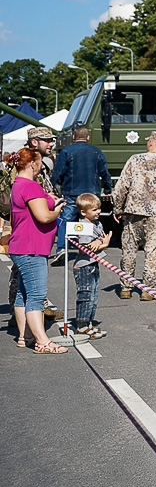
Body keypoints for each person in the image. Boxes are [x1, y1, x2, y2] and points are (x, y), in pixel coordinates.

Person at [7, 147, 65, 353]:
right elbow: (43, 216)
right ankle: (43, 341)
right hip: (31, 248)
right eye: (40, 161)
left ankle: (25, 336)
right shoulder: (30, 186)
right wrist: (56, 209)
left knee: (23, 292)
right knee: (36, 294)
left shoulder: (18, 184)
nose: (41, 165)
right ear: (33, 164)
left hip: (23, 245)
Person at [112, 131, 156, 300]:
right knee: (152, 251)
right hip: (155, 213)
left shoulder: (135, 160)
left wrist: (117, 208)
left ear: (150, 143)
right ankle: (148, 289)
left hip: (133, 211)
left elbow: (121, 187)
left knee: (129, 249)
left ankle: (126, 287)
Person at [51, 124, 112, 257]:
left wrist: (54, 186)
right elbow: (104, 172)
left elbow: (59, 172)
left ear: (73, 137)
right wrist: (107, 188)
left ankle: (61, 248)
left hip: (72, 192)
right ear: (88, 137)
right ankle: (90, 246)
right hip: (92, 192)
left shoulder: (66, 151)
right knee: (91, 220)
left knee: (66, 220)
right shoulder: (97, 151)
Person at [70, 192, 111, 339]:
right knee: (85, 295)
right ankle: (81, 325)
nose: (98, 212)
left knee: (93, 296)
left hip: (93, 264)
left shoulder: (97, 224)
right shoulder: (83, 225)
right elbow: (84, 248)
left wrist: (101, 243)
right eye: (94, 210)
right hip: (84, 266)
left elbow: (98, 242)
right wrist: (102, 244)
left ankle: (88, 323)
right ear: (83, 212)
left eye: (99, 208)